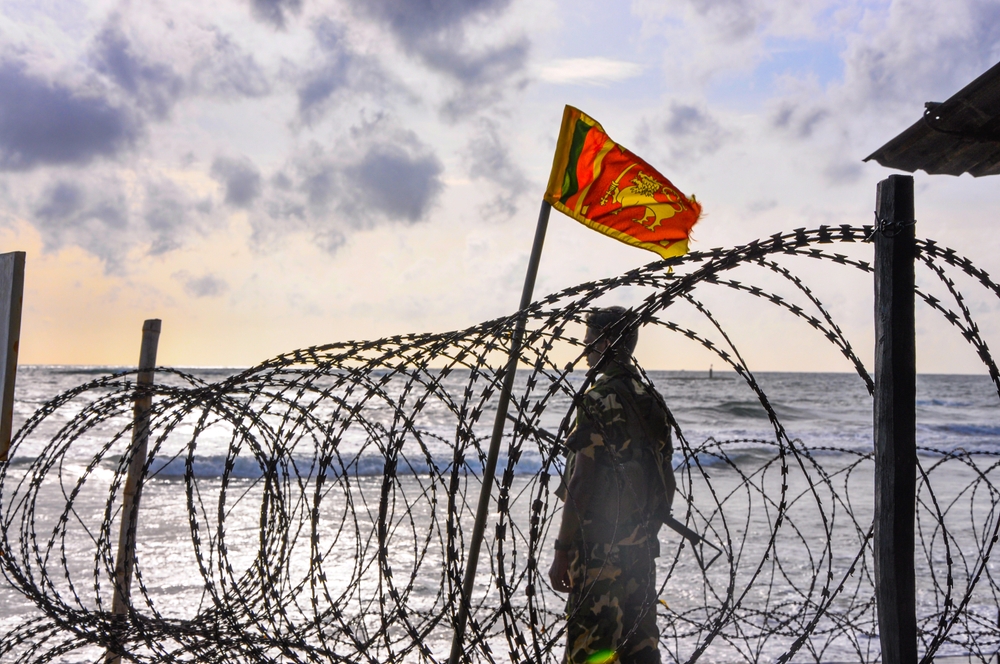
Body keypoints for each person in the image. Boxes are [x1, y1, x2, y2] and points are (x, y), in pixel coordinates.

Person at [548, 306, 676, 664]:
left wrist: (562, 549)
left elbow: (581, 481)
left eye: (589, 340)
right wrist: (646, 531)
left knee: (591, 652)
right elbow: (666, 478)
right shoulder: (649, 400)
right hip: (640, 549)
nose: (584, 347)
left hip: (598, 554)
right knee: (641, 651)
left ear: (606, 342)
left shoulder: (596, 399)